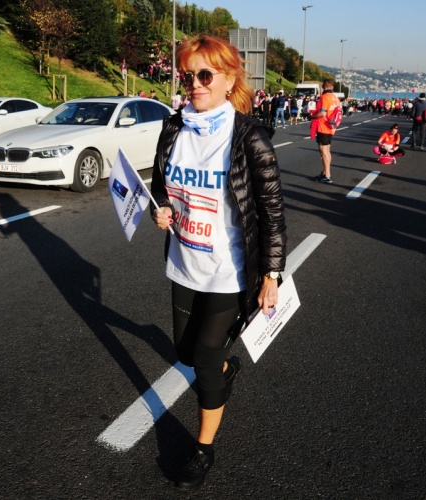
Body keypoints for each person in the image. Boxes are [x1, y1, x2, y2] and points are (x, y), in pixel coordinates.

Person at [150, 35, 287, 491]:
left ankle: (203, 449)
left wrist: (271, 275)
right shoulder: (174, 128)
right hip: (184, 263)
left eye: (205, 75)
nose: (195, 83)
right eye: (188, 75)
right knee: (186, 354)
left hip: (229, 270)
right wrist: (160, 210)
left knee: (206, 359)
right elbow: (161, 186)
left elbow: (272, 214)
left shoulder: (249, 137)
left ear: (230, 80)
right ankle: (225, 371)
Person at [311, 79, 341, 184]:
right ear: (332, 87)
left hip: (323, 126)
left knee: (323, 152)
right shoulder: (336, 98)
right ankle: (325, 172)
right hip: (331, 127)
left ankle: (327, 175)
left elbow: (323, 113)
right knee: (327, 150)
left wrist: (312, 116)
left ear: (324, 87)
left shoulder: (324, 97)